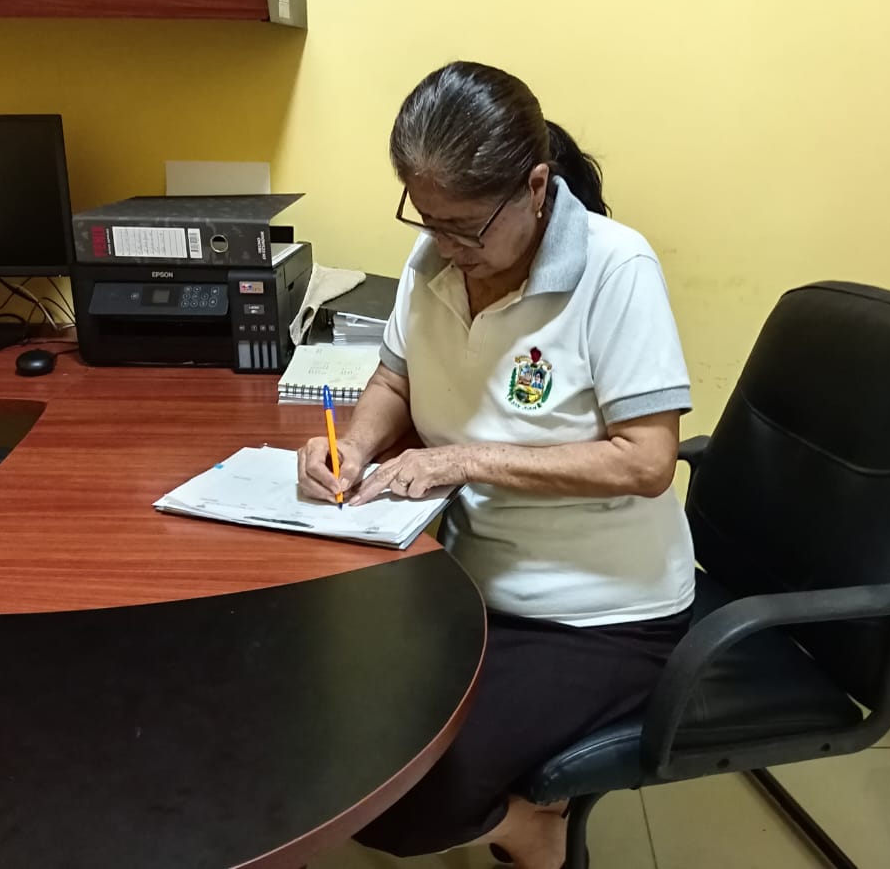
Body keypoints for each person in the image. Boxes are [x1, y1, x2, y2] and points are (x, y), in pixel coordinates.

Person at [297, 61, 695, 869]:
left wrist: (466, 458)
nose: (443, 245)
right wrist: (355, 446)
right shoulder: (433, 263)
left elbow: (648, 461)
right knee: (322, 733)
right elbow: (393, 380)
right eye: (427, 218)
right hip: (464, 580)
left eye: (465, 227)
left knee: (395, 802)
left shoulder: (616, 269)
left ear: (536, 188)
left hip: (597, 614)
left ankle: (530, 828)